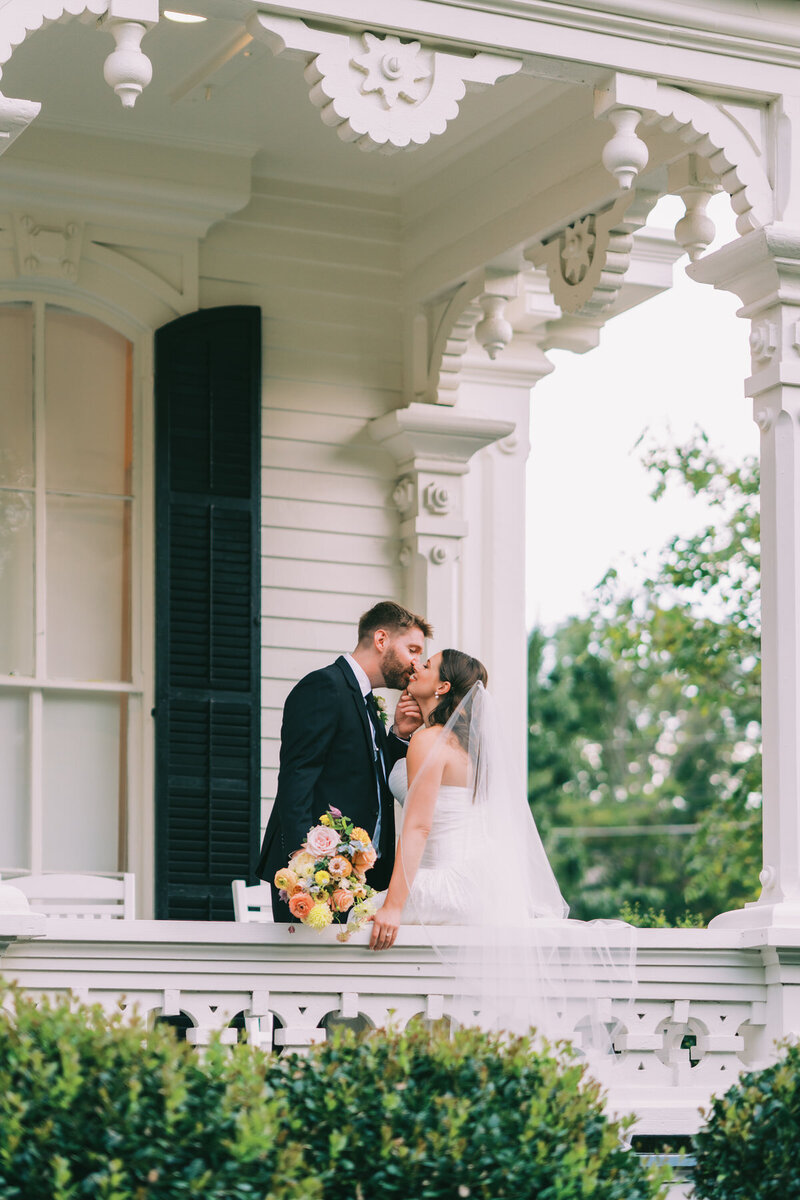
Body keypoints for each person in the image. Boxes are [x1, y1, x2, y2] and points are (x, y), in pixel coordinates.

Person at [368, 648, 634, 1050]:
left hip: (450, 884)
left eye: (427, 664)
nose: (416, 667)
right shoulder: (468, 748)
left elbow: (419, 827)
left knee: (359, 915)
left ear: (442, 686)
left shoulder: (429, 740)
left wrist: (392, 906)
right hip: (483, 884)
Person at [256, 601, 432, 921]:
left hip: (361, 877)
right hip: (316, 877)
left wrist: (398, 735)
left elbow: (366, 776)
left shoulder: (365, 700)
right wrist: (303, 864)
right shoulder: (324, 686)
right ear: (381, 639)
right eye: (413, 650)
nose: (416, 663)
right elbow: (297, 778)